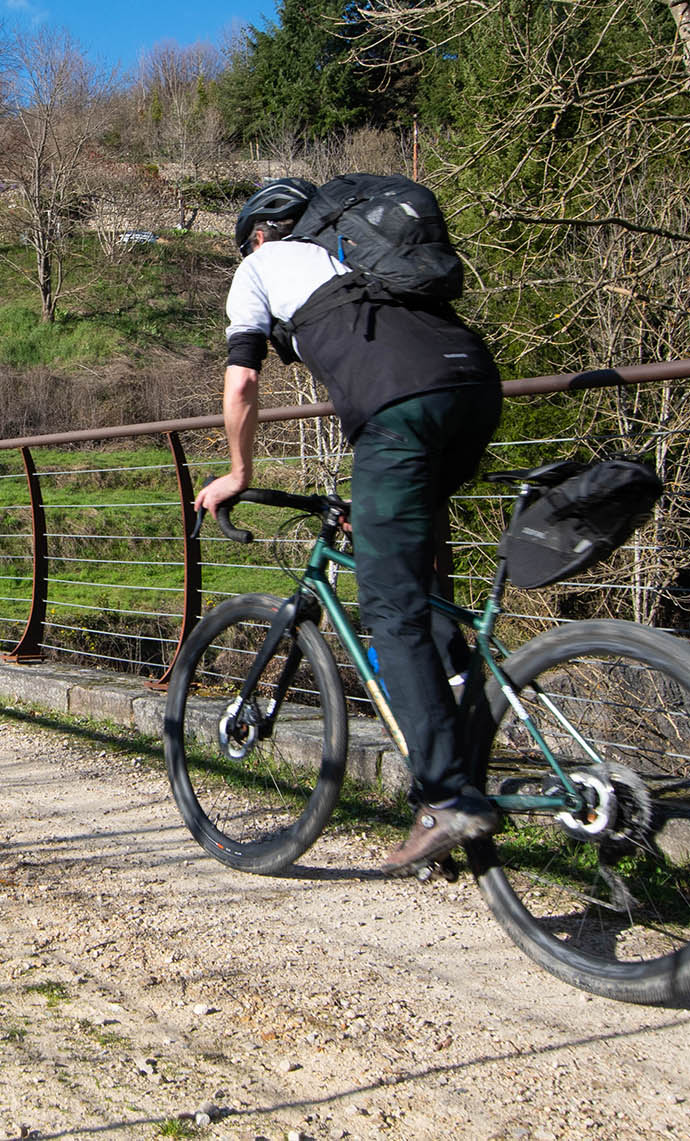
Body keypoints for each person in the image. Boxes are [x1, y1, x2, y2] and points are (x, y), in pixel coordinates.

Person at [193, 177, 504, 872]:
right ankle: (462, 731)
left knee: (389, 612)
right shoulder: (363, 264)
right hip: (477, 388)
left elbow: (242, 383)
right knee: (417, 600)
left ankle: (449, 797)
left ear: (260, 234)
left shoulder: (260, 267)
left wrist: (238, 472)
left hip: (403, 409)